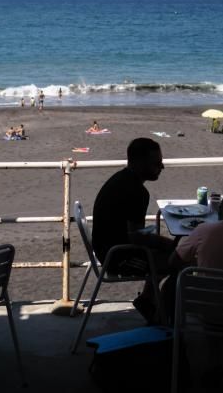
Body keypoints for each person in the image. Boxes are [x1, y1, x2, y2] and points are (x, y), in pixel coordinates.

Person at [92, 138, 175, 323]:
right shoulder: (137, 191)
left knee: (170, 254)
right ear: (138, 163)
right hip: (117, 257)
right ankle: (165, 312)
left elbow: (133, 234)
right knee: (178, 261)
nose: (161, 167)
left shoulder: (120, 179)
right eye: (156, 163)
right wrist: (169, 244)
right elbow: (136, 237)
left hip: (105, 248)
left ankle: (148, 299)